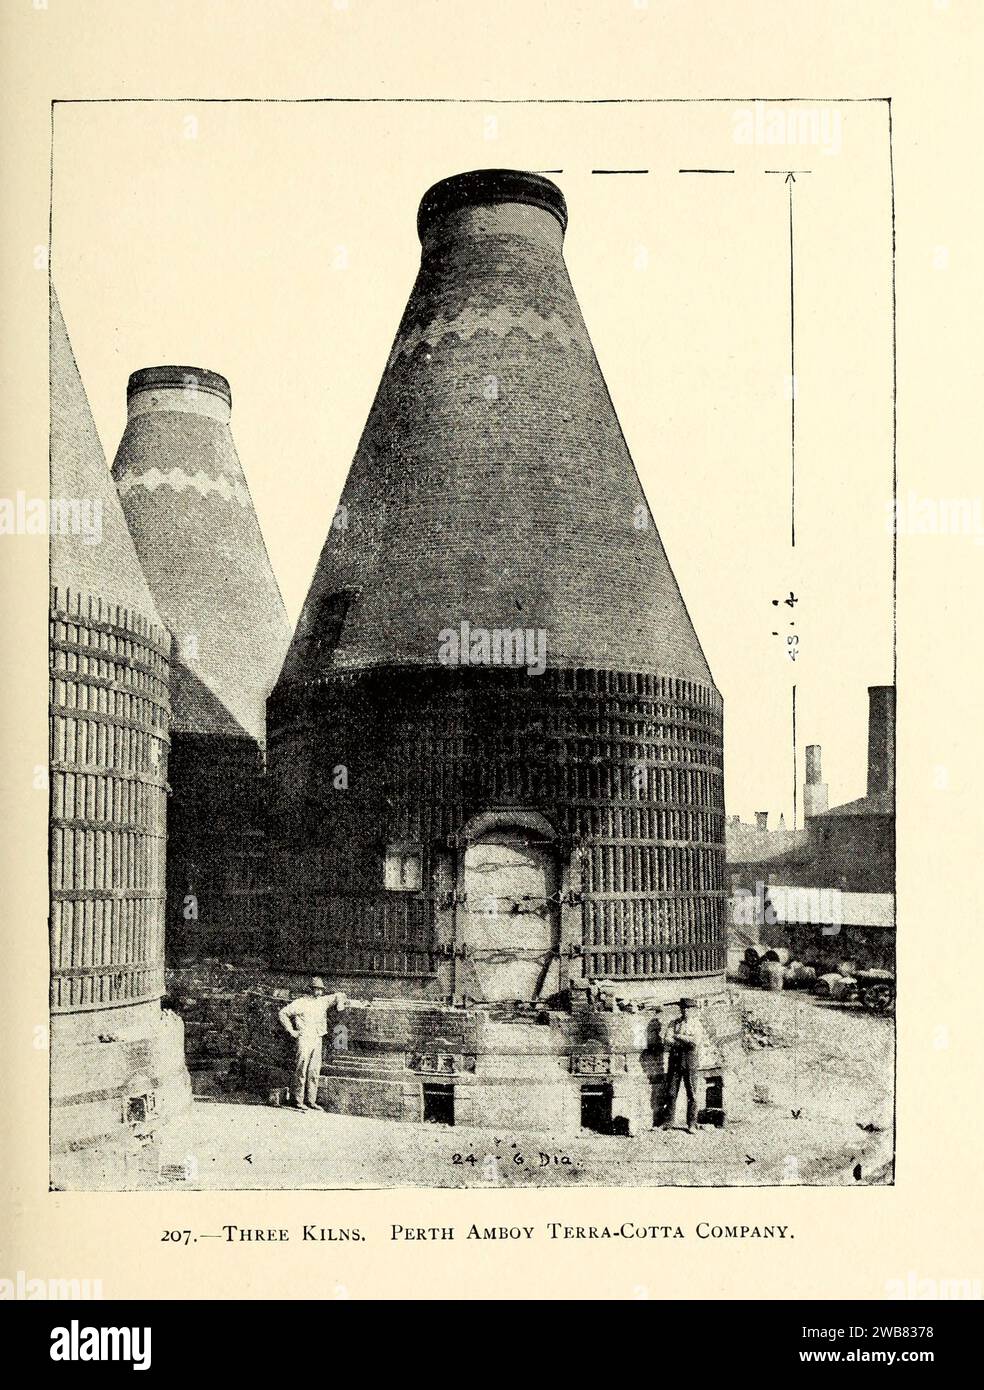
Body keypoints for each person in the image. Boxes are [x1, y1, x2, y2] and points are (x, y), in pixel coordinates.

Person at [278, 977, 364, 1112]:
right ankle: (297, 1101)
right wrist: (291, 1031)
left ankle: (311, 1101)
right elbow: (283, 1013)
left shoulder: (323, 1001)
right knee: (301, 1069)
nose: (318, 992)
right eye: (315, 989)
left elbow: (340, 995)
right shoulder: (301, 1002)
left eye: (320, 990)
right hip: (304, 1038)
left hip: (318, 1038)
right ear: (310, 990)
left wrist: (340, 1004)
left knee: (314, 1070)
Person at [660, 997, 714, 1134]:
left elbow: (694, 1042)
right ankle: (668, 1122)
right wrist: (684, 1040)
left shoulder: (697, 1024)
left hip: (690, 1060)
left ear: (693, 1010)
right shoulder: (674, 1023)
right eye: (683, 1008)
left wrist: (677, 1037)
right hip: (675, 1059)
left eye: (688, 1009)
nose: (685, 1011)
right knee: (671, 1092)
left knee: (692, 1093)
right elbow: (667, 1039)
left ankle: (691, 1124)